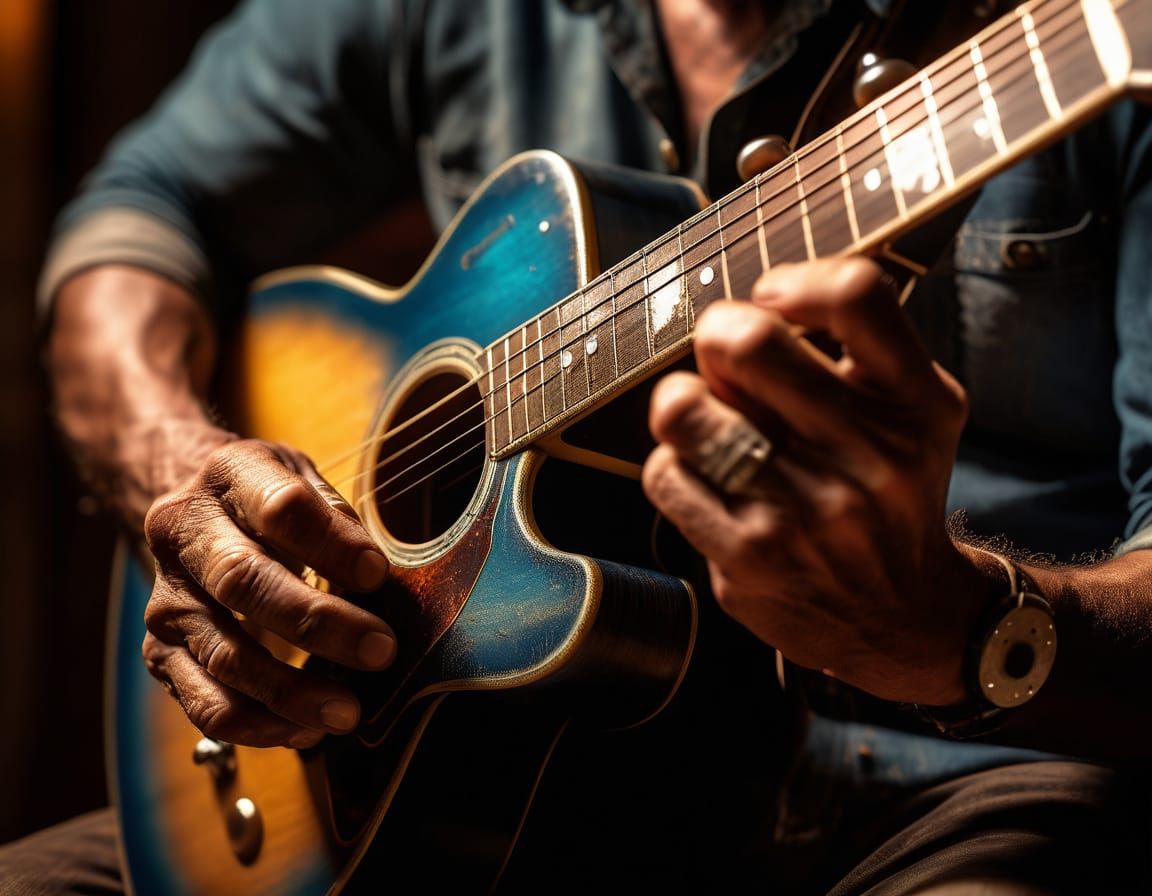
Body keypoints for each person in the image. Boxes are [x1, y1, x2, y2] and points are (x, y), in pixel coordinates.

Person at [5, 0, 1152, 892]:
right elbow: (140, 211)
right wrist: (173, 467)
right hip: (487, 781)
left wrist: (965, 627)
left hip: (961, 796)